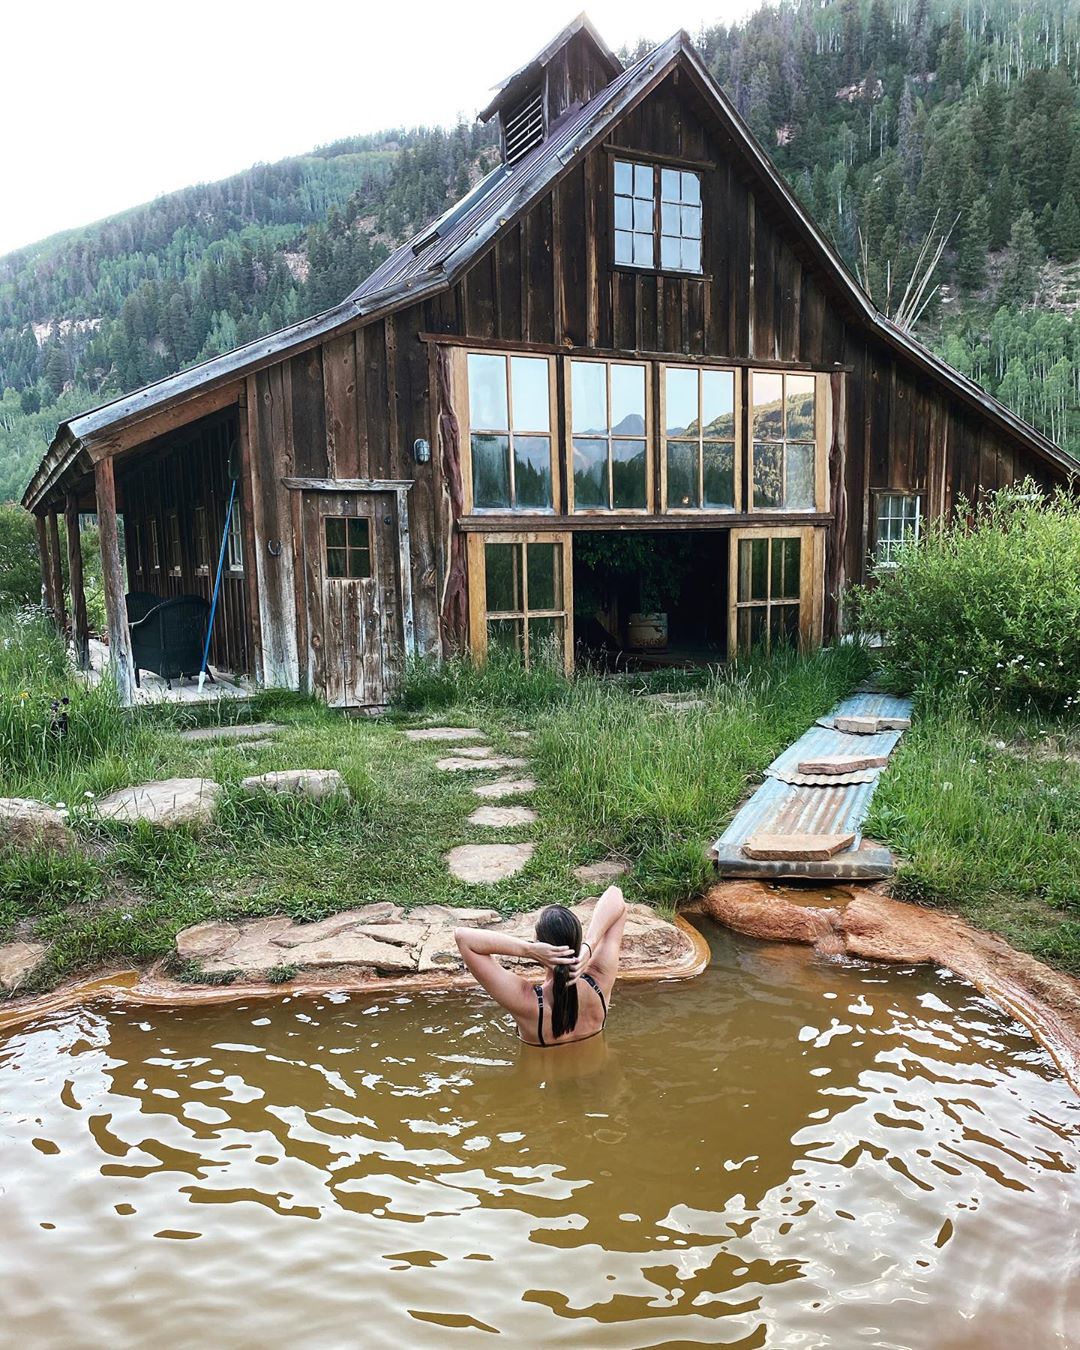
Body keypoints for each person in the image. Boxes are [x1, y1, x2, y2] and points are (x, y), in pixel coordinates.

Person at [454, 886, 628, 1048]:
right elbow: (615, 895)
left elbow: (464, 938)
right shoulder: (599, 981)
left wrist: (527, 950)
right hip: (594, 1077)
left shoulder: (527, 1003)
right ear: (577, 941)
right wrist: (589, 945)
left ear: (540, 946)